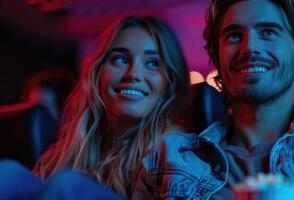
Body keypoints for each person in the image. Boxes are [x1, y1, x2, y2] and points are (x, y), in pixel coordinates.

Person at [132, 0, 294, 199]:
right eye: (234, 35)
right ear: (217, 59)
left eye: (268, 32)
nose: (250, 47)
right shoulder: (168, 160)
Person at [0, 15, 189, 199]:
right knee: (8, 173)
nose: (133, 74)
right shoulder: (78, 143)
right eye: (121, 60)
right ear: (99, 73)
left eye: (152, 63)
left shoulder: (173, 149)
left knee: (68, 185)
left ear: (170, 82)